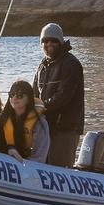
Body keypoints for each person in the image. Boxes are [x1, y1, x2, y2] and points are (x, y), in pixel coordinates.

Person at [33, 23, 84, 168]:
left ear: (61, 41)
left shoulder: (71, 64)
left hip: (65, 129)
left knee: (60, 169)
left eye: (53, 40)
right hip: (44, 126)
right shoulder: (42, 65)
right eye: (45, 40)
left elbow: (64, 96)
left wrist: (39, 108)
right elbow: (34, 93)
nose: (49, 43)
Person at [0, 80, 51, 163]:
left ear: (29, 99)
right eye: (11, 94)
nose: (14, 98)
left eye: (19, 95)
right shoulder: (1, 119)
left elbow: (40, 156)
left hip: (26, 163)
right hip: (4, 160)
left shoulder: (40, 123)